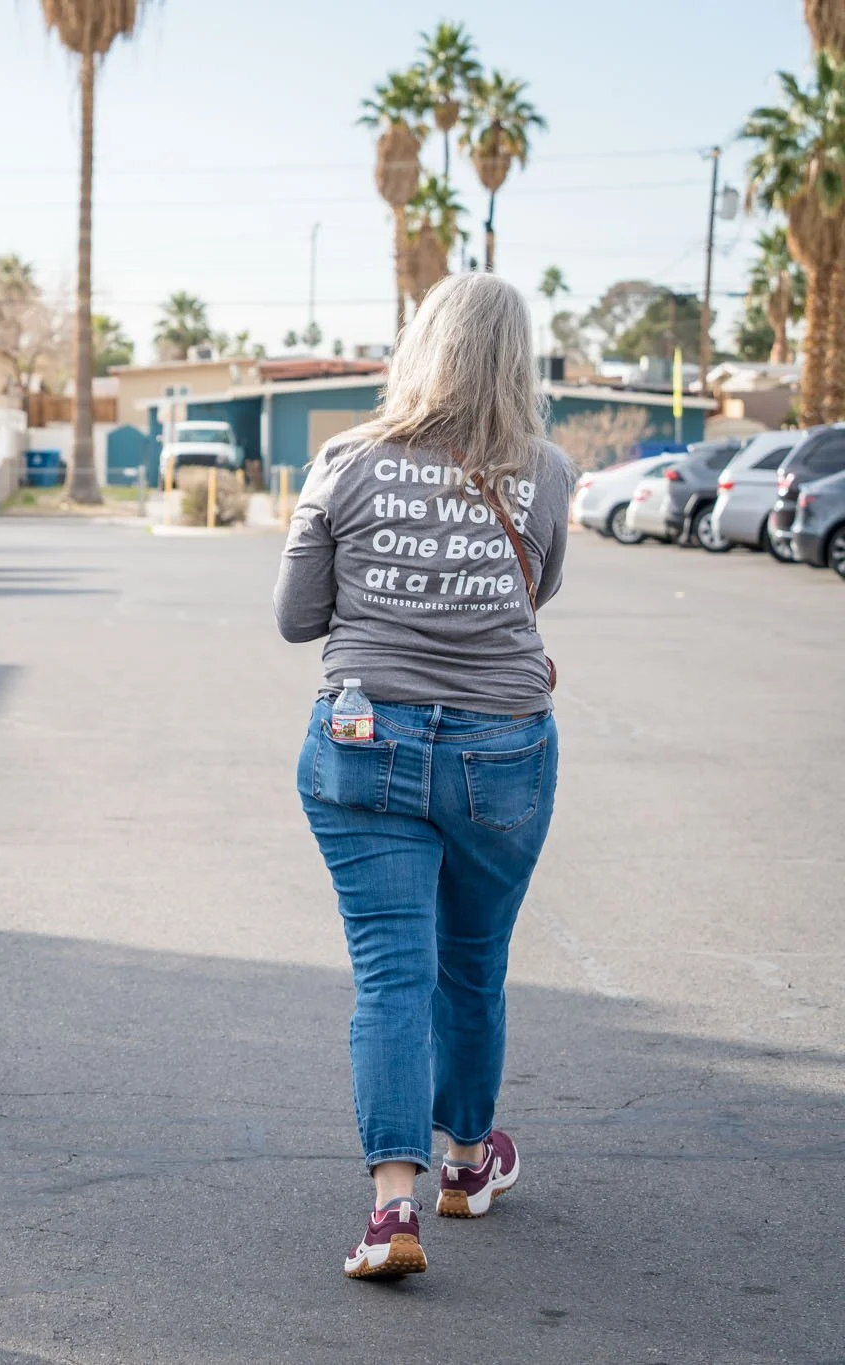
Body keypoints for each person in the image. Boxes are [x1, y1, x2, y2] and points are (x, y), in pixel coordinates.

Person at [273, 272, 572, 1279]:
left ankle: (388, 1211)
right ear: (515, 359)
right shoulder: (547, 468)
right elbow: (535, 596)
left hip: (364, 741)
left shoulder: (344, 461)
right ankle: (465, 1163)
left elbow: (294, 616)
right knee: (471, 967)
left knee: (390, 974)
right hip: (501, 748)